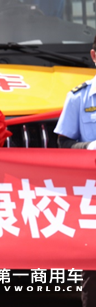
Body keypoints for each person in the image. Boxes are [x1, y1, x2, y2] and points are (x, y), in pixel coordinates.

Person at [54, 35, 96, 307]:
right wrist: (88, 146)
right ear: (94, 56)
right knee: (93, 273)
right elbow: (63, 143)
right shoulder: (79, 97)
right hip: (92, 198)